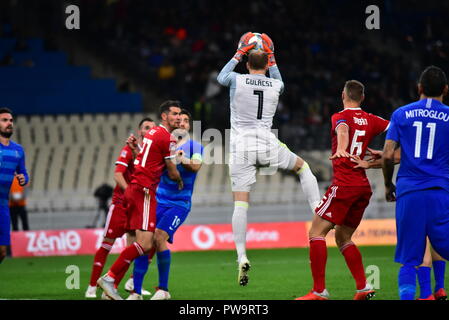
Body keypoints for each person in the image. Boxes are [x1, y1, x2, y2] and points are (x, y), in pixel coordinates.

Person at [217, 32, 321, 286]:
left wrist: (239, 52)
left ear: (246, 63)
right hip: (267, 144)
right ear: (266, 64)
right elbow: (279, 79)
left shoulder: (237, 80)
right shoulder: (276, 85)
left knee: (240, 204)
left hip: (241, 147)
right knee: (303, 167)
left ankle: (241, 255)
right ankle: (318, 210)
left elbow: (221, 77)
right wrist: (271, 56)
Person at [296, 80, 390, 300]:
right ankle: (364, 287)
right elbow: (398, 129)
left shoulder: (339, 117)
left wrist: (341, 148)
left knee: (316, 232)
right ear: (363, 98)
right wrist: (386, 159)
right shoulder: (372, 119)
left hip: (345, 184)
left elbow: (343, 130)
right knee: (343, 237)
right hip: (362, 187)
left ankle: (319, 291)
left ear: (343, 95)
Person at [97, 101, 183, 300]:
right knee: (144, 245)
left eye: (180, 114)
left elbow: (140, 161)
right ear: (164, 116)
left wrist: (136, 150)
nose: (178, 117)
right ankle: (110, 278)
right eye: (175, 114)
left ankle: (121, 287)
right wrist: (179, 179)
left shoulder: (152, 134)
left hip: (136, 189)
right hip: (144, 191)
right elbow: (171, 171)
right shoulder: (167, 138)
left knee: (137, 242)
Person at [382, 65, 449, 300]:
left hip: (410, 192)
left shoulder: (401, 114)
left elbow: (388, 154)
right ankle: (437, 288)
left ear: (419, 88)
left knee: (410, 259)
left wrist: (388, 184)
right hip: (441, 193)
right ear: (445, 90)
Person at [126, 109, 204, 300]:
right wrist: (136, 150)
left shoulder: (196, 147)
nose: (183, 123)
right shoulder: (164, 143)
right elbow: (145, 164)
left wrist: (181, 158)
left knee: (159, 237)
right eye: (180, 120)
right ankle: (136, 291)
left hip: (179, 203)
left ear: (189, 126)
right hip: (158, 200)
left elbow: (195, 166)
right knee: (145, 242)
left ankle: (163, 290)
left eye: (187, 121)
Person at [352, 148, 447, 300]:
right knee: (437, 238)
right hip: (442, 189)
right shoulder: (443, 127)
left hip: (415, 190)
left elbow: (393, 156)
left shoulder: (409, 125)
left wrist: (372, 166)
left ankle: (426, 293)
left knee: (414, 249)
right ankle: (440, 288)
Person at [85, 117, 155, 298]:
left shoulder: (148, 154)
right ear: (140, 132)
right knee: (107, 245)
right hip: (121, 204)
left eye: (152, 128)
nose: (149, 131)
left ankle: (115, 287)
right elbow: (117, 175)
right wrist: (130, 191)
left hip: (136, 206)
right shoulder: (128, 150)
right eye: (146, 128)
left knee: (133, 248)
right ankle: (92, 286)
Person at [0, 107, 29, 263]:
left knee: (2, 251)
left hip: (4, 205)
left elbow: (23, 172)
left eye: (10, 120)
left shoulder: (18, 150)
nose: (9, 123)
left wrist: (23, 179)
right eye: (4, 120)